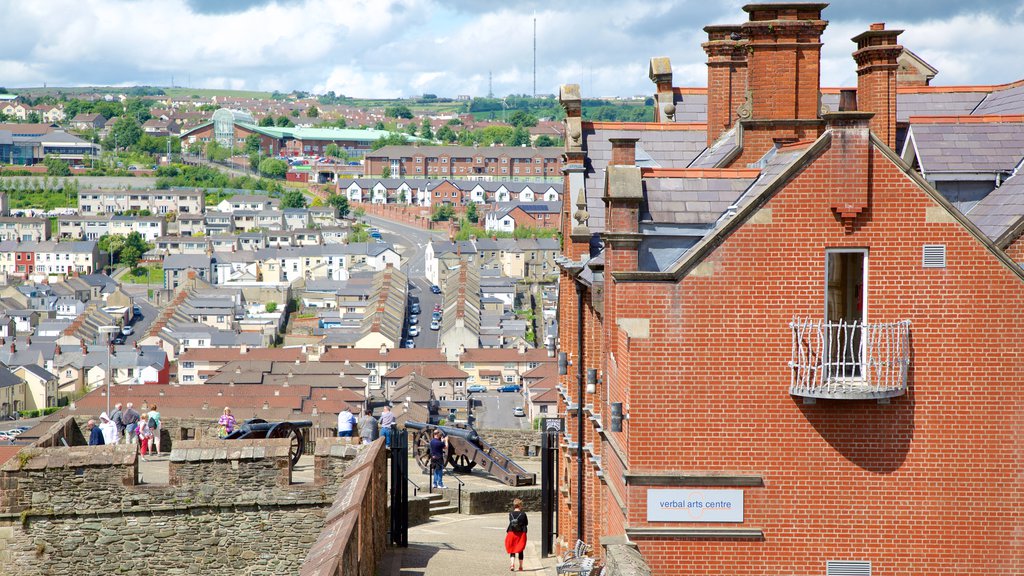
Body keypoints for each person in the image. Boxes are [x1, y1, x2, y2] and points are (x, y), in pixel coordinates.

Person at [504, 498, 529, 571]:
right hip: (521, 534)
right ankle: (520, 566)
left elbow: (511, 522)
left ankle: (512, 565)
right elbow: (526, 523)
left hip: (512, 532)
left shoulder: (511, 514)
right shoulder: (523, 514)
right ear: (520, 505)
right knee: (520, 549)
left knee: (512, 549)